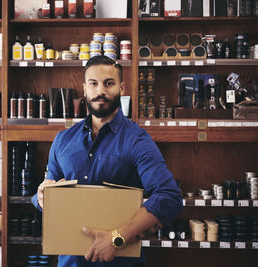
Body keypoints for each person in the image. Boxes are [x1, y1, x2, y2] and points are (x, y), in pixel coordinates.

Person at [31, 55, 183, 266]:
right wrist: (40, 196)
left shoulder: (137, 140)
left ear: (121, 88)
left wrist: (116, 238)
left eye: (108, 83)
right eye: (93, 83)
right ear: (84, 88)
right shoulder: (63, 139)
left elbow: (169, 196)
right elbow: (48, 192)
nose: (100, 90)